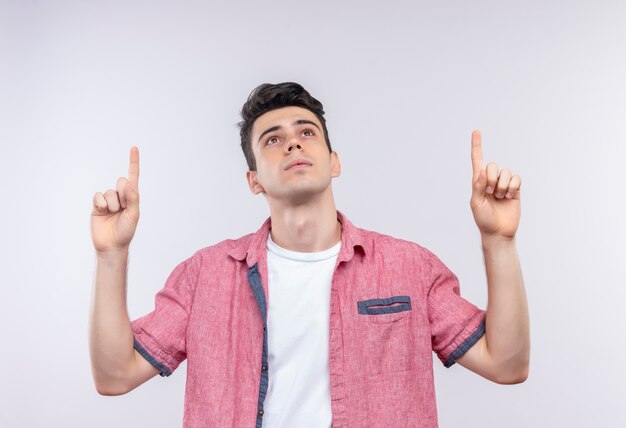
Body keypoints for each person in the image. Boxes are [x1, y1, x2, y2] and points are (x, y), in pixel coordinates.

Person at [89, 82, 529, 428]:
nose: (294, 144)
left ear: (334, 161)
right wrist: (112, 254)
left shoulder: (408, 267)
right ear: (254, 180)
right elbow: (115, 376)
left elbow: (506, 364)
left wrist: (500, 242)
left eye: (306, 132)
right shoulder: (204, 276)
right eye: (273, 140)